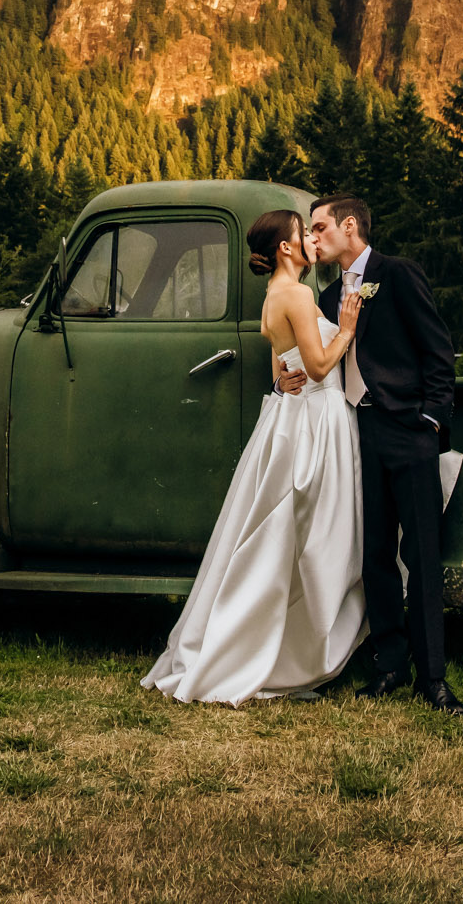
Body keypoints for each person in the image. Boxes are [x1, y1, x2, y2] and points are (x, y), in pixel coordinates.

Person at [143, 209, 368, 704]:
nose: (311, 240)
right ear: (286, 248)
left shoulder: (274, 296)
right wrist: (347, 329)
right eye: (303, 233)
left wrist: (284, 379)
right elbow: (317, 366)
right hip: (319, 419)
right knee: (321, 535)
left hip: (292, 415)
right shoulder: (299, 294)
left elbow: (281, 370)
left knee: (286, 535)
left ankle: (271, 641)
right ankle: (301, 647)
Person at [286, 193, 463, 715]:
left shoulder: (398, 274)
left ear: (349, 226)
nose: (313, 238)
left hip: (409, 430)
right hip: (355, 433)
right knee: (375, 554)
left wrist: (431, 419)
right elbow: (312, 355)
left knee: (422, 557)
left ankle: (433, 678)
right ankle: (390, 665)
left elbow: (437, 349)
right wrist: (283, 377)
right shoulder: (324, 296)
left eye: (320, 228)